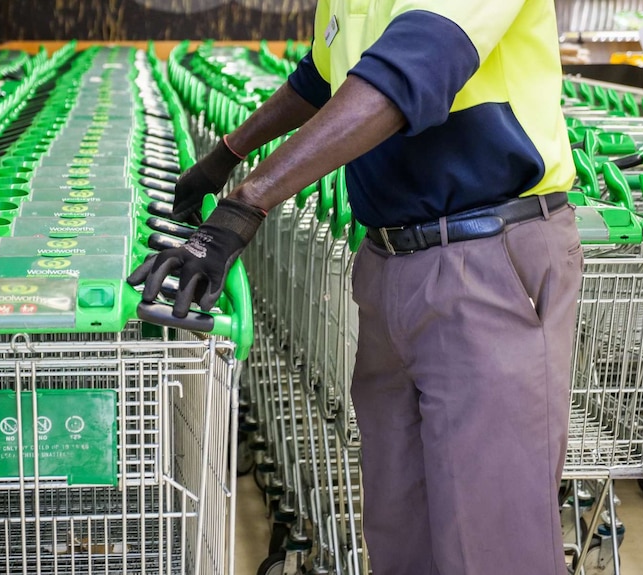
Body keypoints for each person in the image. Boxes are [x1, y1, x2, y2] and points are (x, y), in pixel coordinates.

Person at [128, 1, 583, 573]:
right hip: (389, 259)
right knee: (397, 525)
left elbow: (403, 75)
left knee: (490, 540)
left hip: (487, 261)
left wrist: (245, 205)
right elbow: (321, 80)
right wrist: (227, 154)